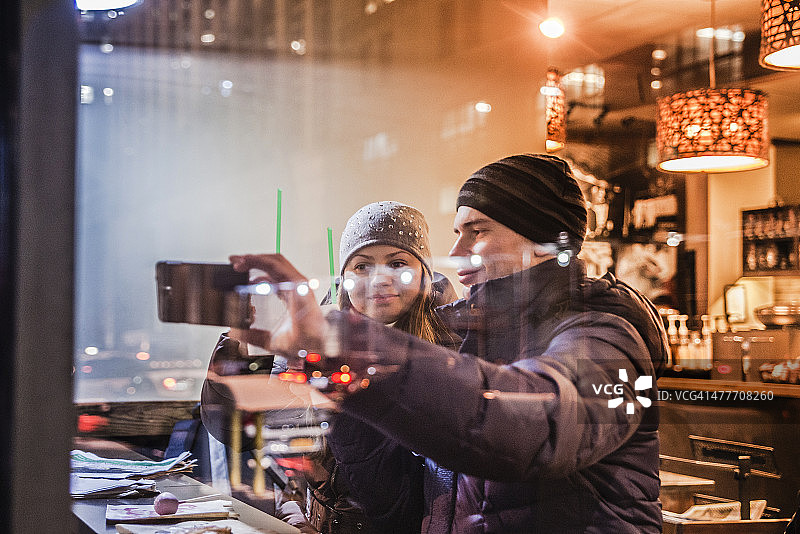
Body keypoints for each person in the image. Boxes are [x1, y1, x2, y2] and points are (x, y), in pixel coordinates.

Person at [230, 154, 669, 533]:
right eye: (457, 232)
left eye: (477, 231)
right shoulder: (476, 336)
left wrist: (339, 344)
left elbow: (523, 426)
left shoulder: (606, 340)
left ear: (544, 243)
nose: (456, 253)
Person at [201, 201, 459, 533]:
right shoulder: (317, 345)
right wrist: (238, 334)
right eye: (362, 266)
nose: (379, 279)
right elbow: (239, 430)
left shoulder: (449, 350)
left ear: (422, 271)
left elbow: (404, 493)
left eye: (397, 263)